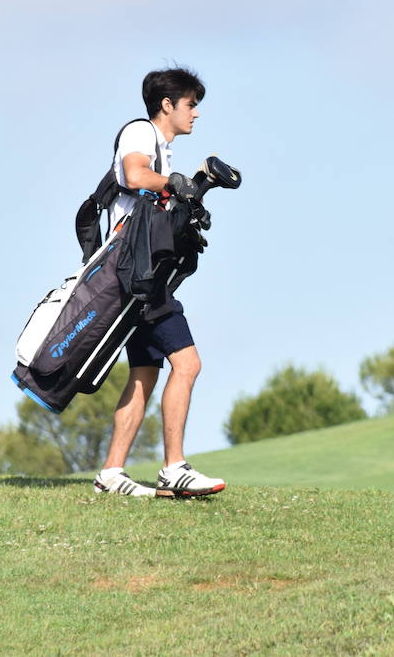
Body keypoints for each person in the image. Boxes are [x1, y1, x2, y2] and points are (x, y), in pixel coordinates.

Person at [92, 67, 227, 498]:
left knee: (145, 372)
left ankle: (111, 473)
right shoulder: (139, 133)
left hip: (134, 275)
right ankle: (174, 468)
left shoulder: (162, 151)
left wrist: (189, 197)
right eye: (191, 104)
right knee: (187, 364)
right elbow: (135, 176)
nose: (197, 113)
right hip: (139, 276)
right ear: (166, 105)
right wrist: (174, 184)